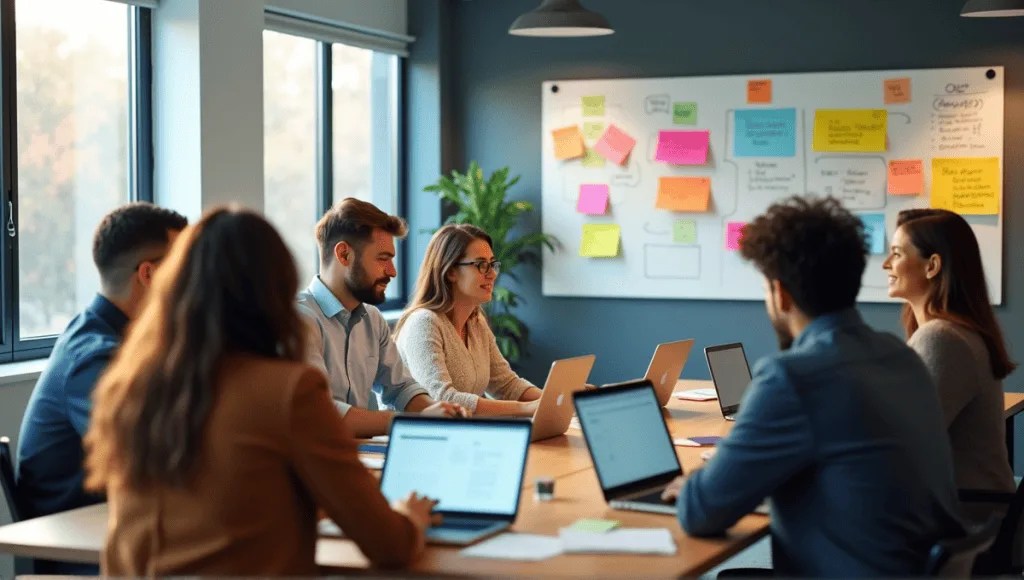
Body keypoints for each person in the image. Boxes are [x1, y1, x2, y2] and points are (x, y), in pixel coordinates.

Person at [83, 207, 435, 576]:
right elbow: (388, 545)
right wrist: (409, 517)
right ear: (276, 289)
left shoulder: (131, 386)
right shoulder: (287, 391)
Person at [661, 196, 963, 576]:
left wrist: (691, 487)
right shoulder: (899, 356)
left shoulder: (792, 377)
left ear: (780, 293)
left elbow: (702, 513)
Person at [16, 202, 186, 575]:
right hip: (86, 551)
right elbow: (152, 459)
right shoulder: (95, 358)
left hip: (122, 529)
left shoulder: (121, 341)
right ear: (148, 274)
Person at [884, 208, 1016, 517]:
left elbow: (903, 441)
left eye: (897, 253)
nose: (886, 264)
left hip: (967, 522)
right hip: (972, 512)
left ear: (932, 266)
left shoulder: (942, 338)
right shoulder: (953, 332)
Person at [298, 198, 467, 438]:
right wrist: (415, 422)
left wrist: (441, 412)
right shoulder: (298, 321)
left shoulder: (372, 320)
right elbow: (324, 414)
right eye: (383, 258)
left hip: (358, 458)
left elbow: (401, 389)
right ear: (344, 254)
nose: (393, 271)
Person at [395, 224, 542, 416]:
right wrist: (525, 408)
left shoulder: (476, 322)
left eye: (492, 264)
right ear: (450, 271)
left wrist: (559, 399)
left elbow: (507, 385)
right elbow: (441, 399)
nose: (492, 274)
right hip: (419, 440)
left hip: (462, 436)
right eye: (481, 265)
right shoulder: (423, 323)